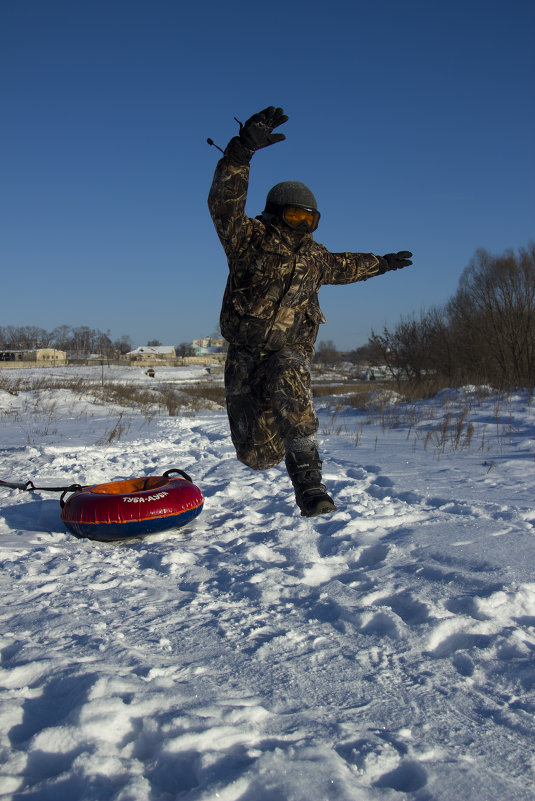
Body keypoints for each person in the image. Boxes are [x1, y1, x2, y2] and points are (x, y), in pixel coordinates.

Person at [208, 106, 412, 517]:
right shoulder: (248, 240)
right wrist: (241, 151)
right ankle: (275, 429)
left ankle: (310, 484)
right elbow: (225, 204)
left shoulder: (315, 258)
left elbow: (348, 265)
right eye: (295, 215)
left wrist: (383, 263)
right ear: (275, 212)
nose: (303, 224)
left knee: (289, 367)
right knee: (257, 457)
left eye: (310, 218)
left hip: (288, 355)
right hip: (245, 361)